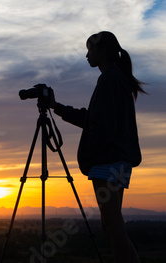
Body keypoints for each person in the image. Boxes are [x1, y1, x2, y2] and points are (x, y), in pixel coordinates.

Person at [50, 31, 145, 263]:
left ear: (102, 51)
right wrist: (57, 107)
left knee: (113, 226)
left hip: (108, 162)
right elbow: (93, 119)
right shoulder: (116, 78)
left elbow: (102, 127)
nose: (86, 55)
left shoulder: (109, 79)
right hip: (116, 160)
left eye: (90, 49)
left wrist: (90, 155)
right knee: (111, 225)